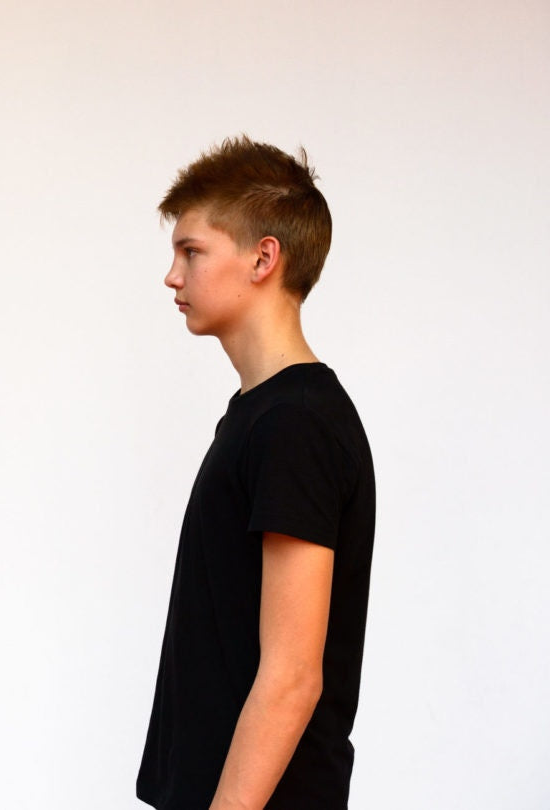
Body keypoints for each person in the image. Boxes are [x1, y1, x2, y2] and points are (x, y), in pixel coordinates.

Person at [136, 137, 375, 810]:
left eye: (192, 251)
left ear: (264, 257)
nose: (172, 276)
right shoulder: (261, 415)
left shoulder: (294, 425)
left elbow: (294, 676)